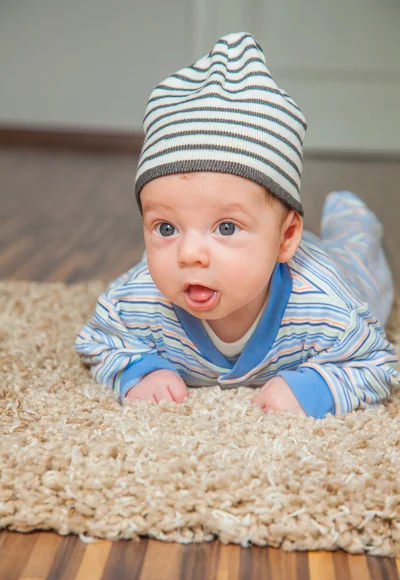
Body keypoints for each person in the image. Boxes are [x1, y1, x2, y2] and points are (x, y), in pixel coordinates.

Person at [74, 32, 399, 419]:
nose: (189, 254)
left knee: (356, 250)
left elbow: (377, 365)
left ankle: (351, 216)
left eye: (226, 228)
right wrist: (140, 369)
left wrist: (314, 387)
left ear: (286, 237)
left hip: (338, 265)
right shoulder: (137, 301)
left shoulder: (329, 307)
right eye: (166, 228)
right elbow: (98, 342)